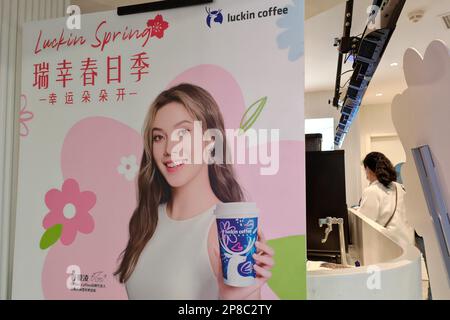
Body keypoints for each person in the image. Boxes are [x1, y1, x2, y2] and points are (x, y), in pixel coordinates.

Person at [114, 83, 274, 300]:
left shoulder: (228, 231)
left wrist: (234, 299)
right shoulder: (147, 219)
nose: (170, 149)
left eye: (183, 133)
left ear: (210, 141)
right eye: (159, 137)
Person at [359, 152, 415, 246]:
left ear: (368, 169)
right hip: (409, 246)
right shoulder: (401, 187)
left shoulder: (372, 191)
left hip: (390, 248)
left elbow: (365, 225)